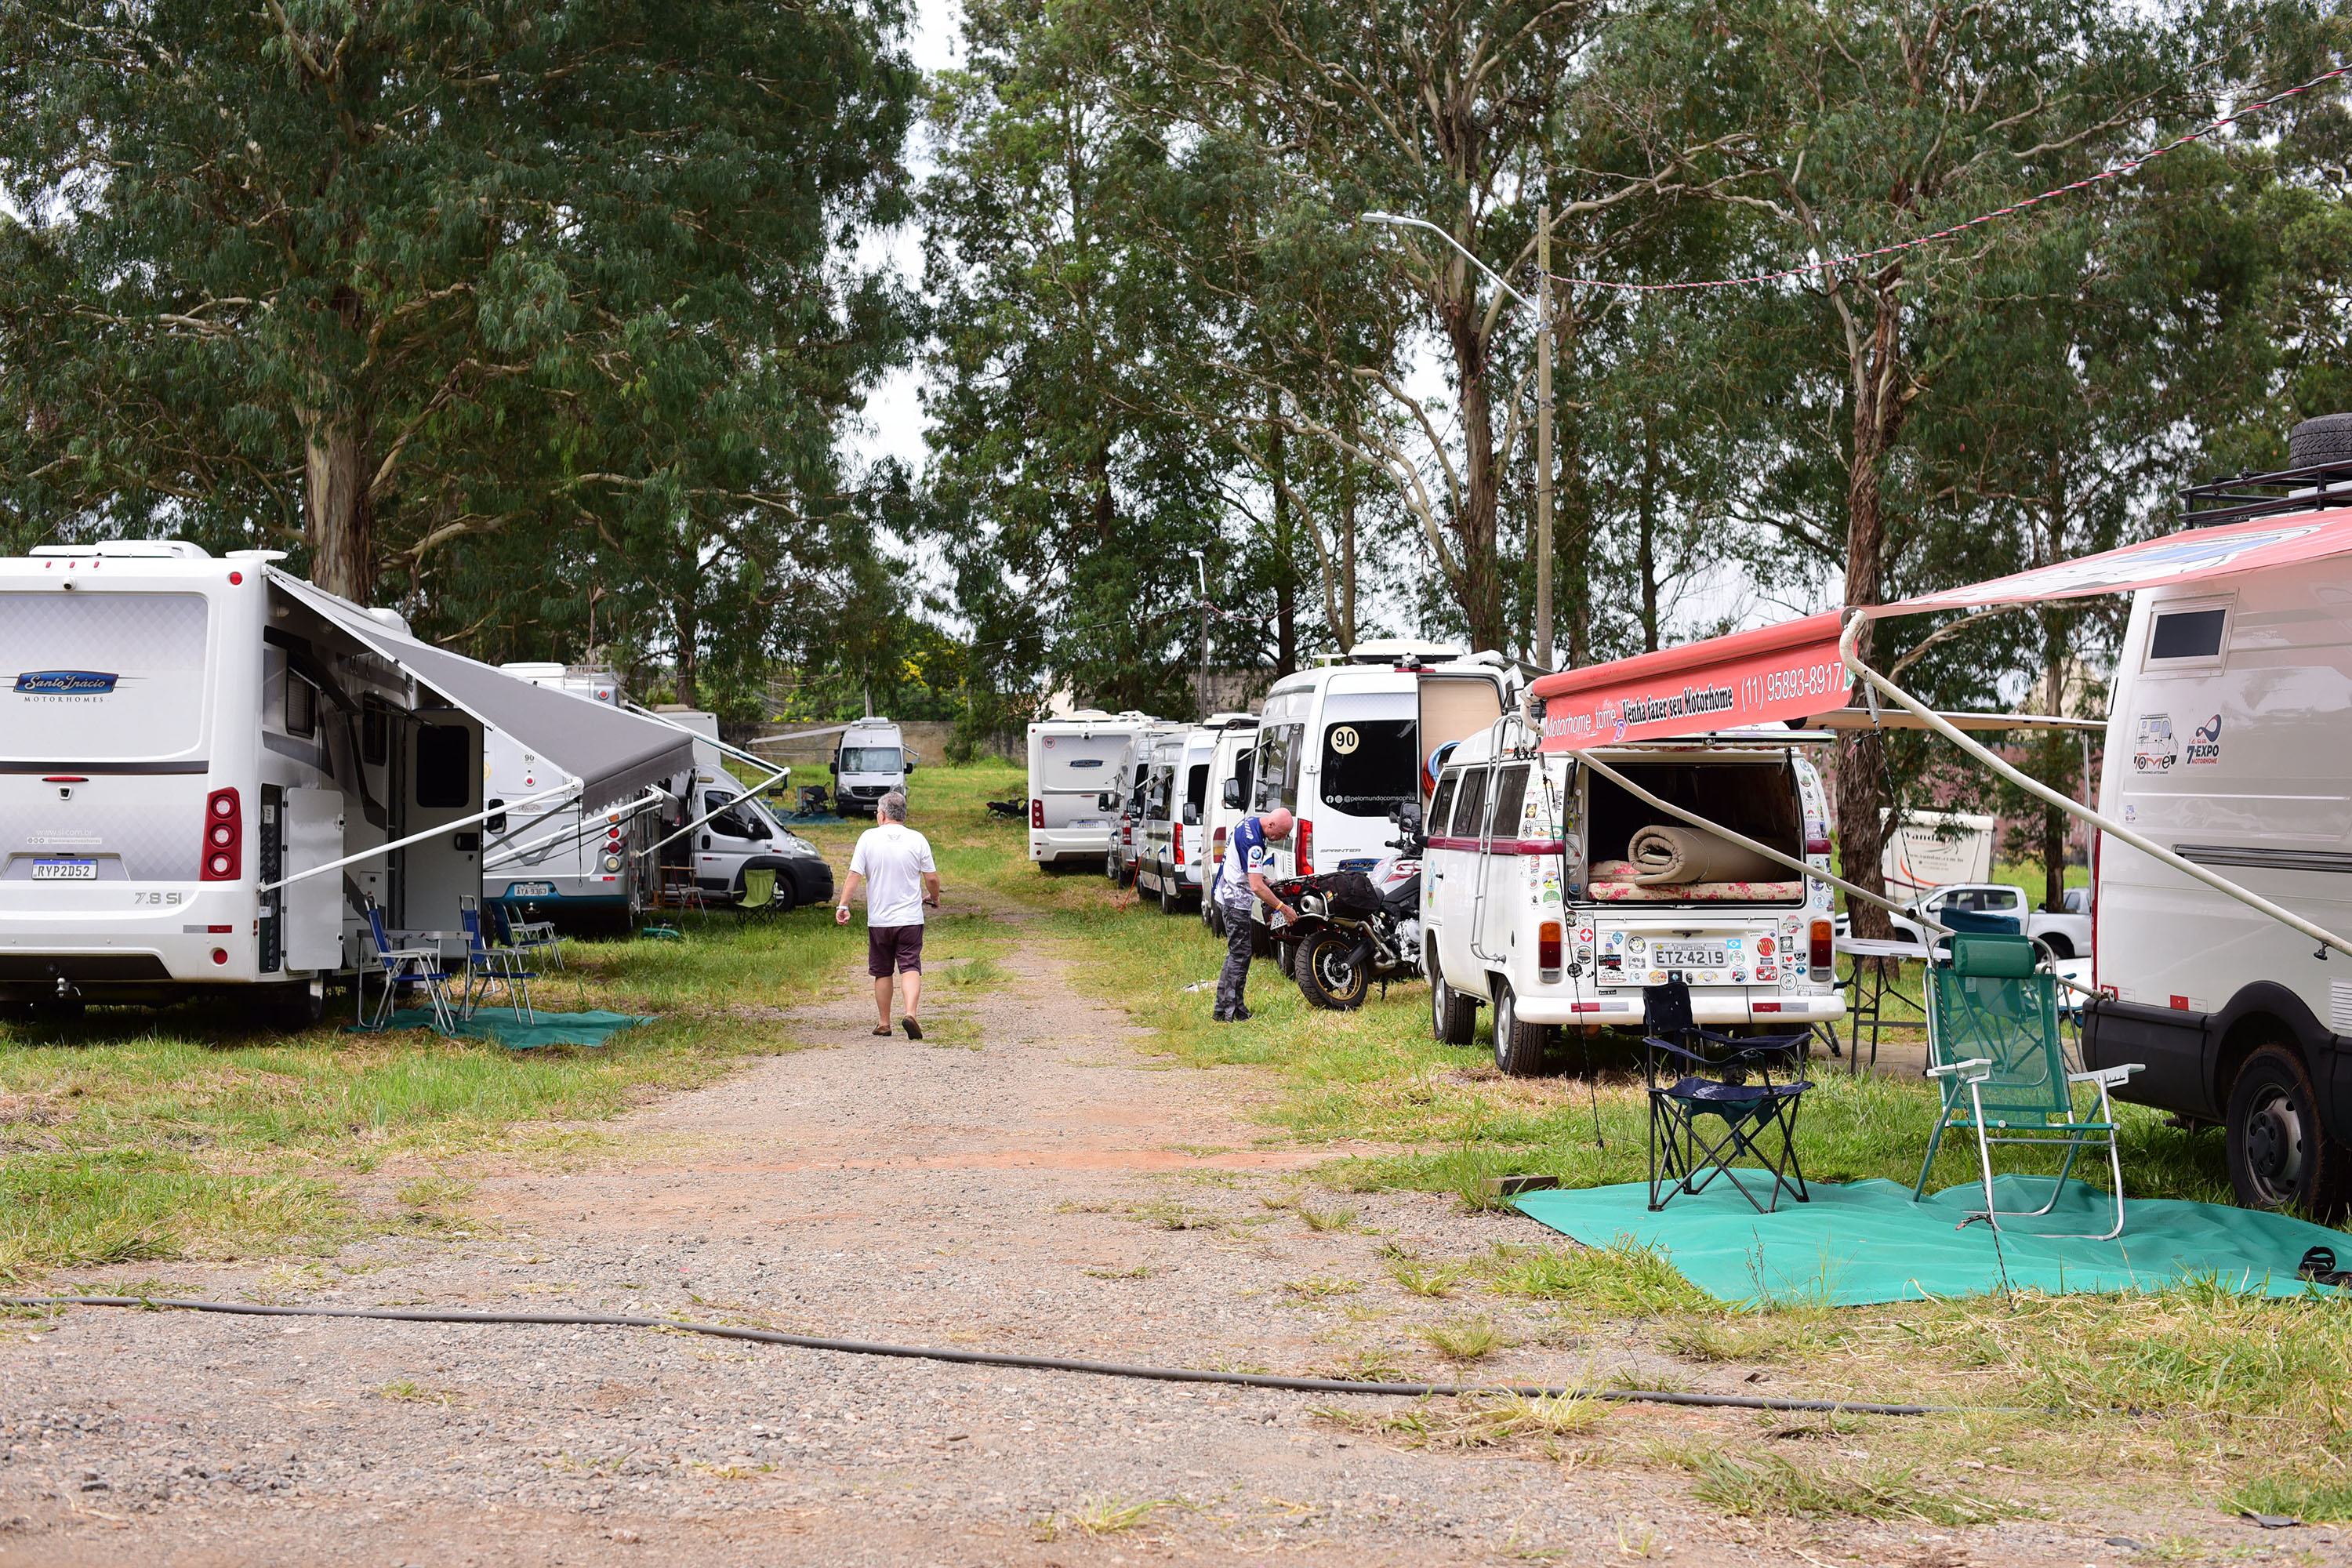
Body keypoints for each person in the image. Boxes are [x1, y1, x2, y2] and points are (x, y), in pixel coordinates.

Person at [836, 790, 941, 1038]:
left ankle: (884, 1023)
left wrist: (843, 905)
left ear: (881, 815)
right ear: (903, 815)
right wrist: (934, 898)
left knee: (882, 971)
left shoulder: (868, 838)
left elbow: (854, 875)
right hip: (910, 920)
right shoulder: (918, 839)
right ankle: (911, 1013)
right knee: (910, 966)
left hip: (880, 921)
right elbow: (932, 878)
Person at [1211, 805, 1296, 1022]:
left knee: (1236, 954)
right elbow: (1256, 887)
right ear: (1271, 824)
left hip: (1226, 894)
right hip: (1235, 900)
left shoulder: (1249, 823)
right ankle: (1232, 1010)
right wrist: (1283, 908)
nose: (1282, 838)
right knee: (1240, 955)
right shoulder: (1255, 844)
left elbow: (1250, 871)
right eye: (1282, 834)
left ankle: (1223, 1009)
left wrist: (1269, 881)